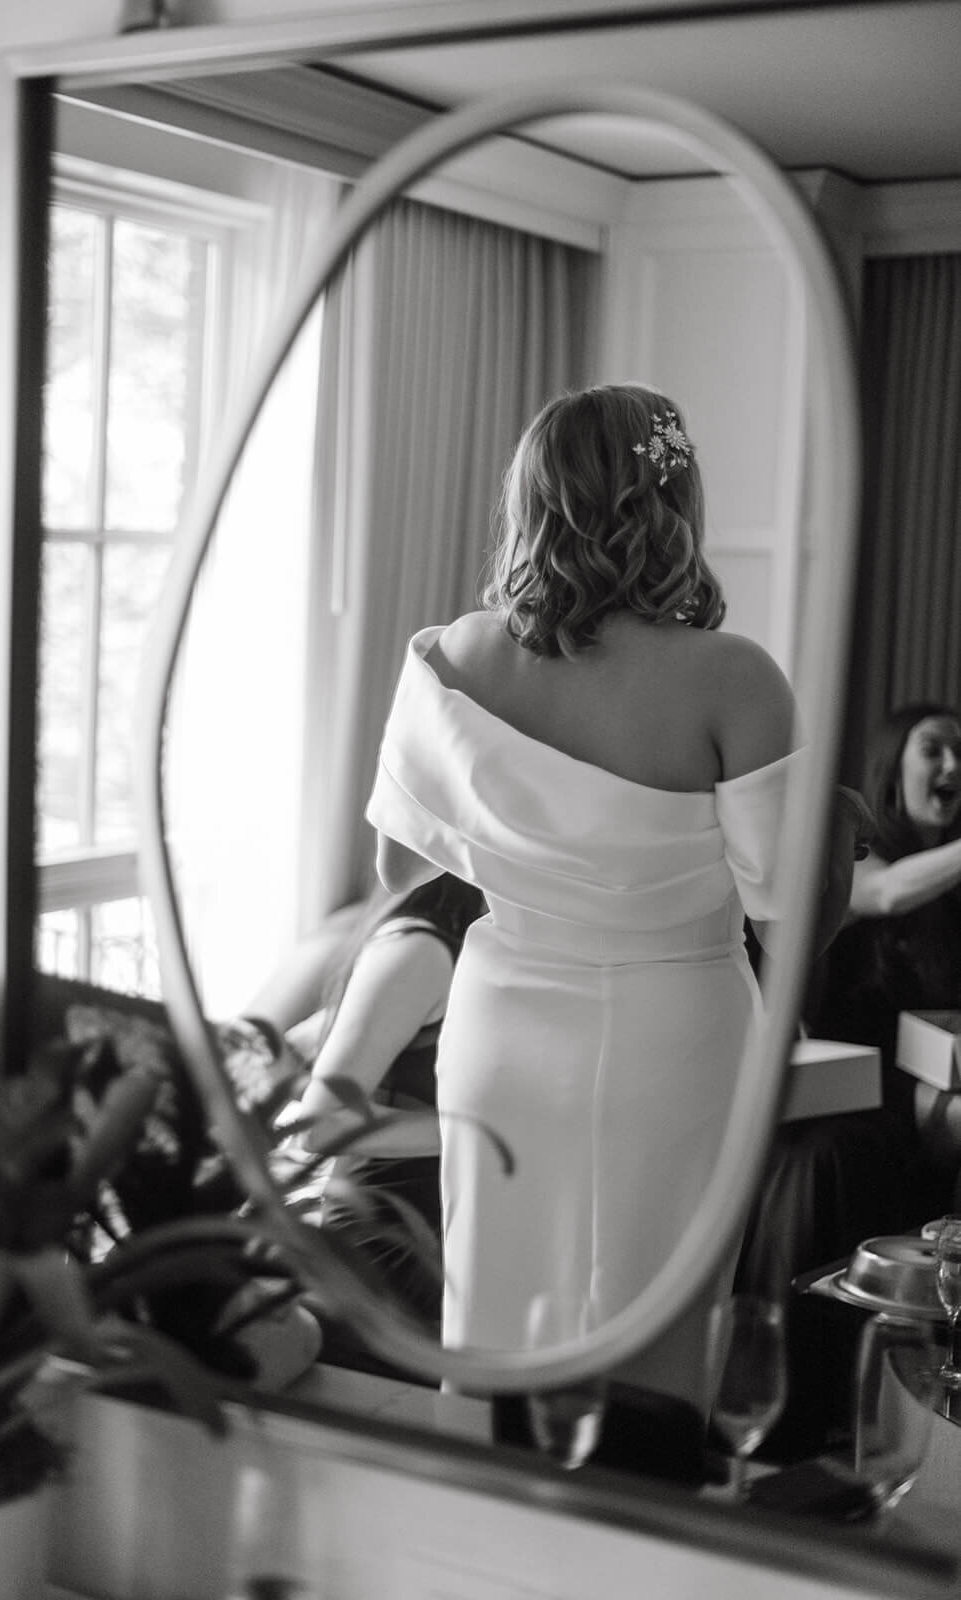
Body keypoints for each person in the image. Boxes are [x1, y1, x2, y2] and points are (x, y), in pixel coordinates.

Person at [363, 383, 863, 1417]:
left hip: (499, 1028)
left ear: (529, 498)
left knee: (490, 1322)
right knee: (656, 1342)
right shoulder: (732, 679)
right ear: (675, 500)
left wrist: (531, 855)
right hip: (676, 1039)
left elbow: (398, 873)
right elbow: (790, 923)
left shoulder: (451, 656)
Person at [280, 873, 487, 1326]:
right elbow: (324, 1123)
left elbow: (292, 1053)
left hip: (450, 1226)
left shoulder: (472, 940)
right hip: (392, 1245)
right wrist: (483, 1134)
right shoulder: (419, 952)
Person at [809, 702, 961, 1214]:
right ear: (893, 765)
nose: (953, 765)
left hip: (940, 1072)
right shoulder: (858, 854)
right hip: (866, 1077)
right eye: (933, 749)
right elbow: (889, 894)